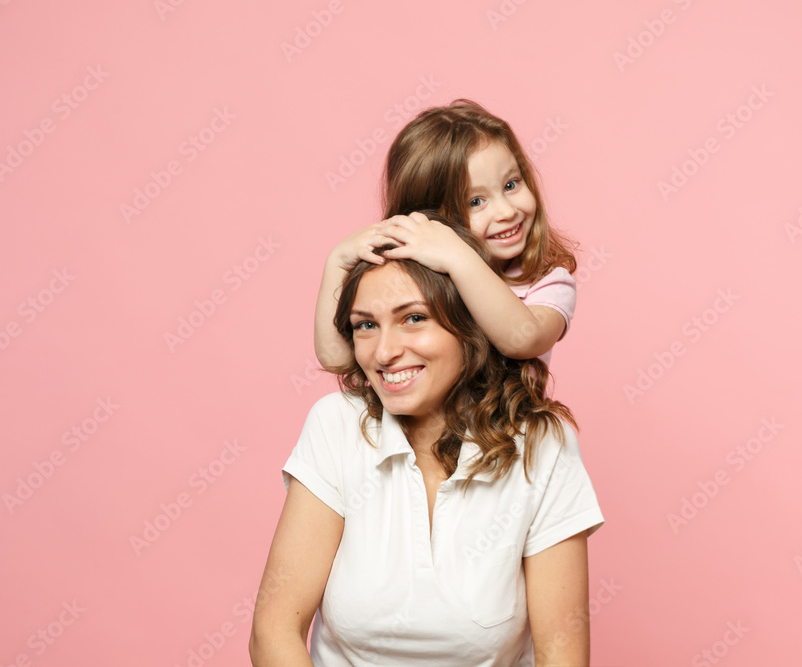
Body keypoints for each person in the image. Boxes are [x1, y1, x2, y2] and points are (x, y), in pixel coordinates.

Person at [252, 213, 602, 666]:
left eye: (414, 318)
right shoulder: (337, 425)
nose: (384, 352)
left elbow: (562, 655)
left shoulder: (542, 447)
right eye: (365, 325)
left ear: (470, 326)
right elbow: (274, 631)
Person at [315, 99, 578, 372]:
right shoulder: (405, 280)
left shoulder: (548, 283)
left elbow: (523, 340)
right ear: (429, 218)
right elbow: (338, 359)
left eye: (511, 184)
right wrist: (336, 262)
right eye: (475, 202)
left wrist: (458, 257)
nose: (507, 211)